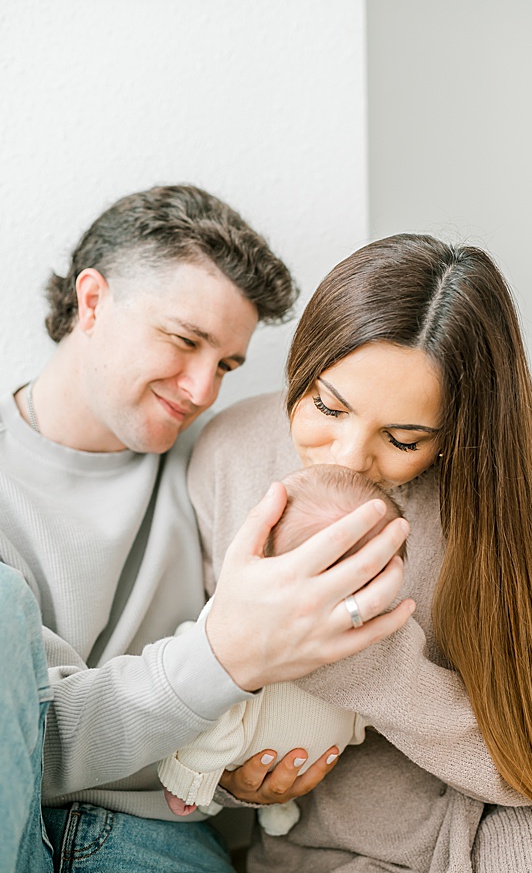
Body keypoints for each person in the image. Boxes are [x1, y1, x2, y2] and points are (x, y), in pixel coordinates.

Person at [0, 185, 413, 873]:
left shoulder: (222, 460)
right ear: (92, 301)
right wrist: (224, 657)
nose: (201, 390)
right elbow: (32, 741)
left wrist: (230, 772)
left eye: (224, 364)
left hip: (153, 834)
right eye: (184, 341)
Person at [188, 234, 532, 872]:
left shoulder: (492, 506)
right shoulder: (230, 453)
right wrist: (225, 777)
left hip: (493, 819)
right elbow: (193, 683)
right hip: (324, 850)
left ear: (455, 431)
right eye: (328, 405)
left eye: (403, 439)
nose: (348, 458)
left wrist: (373, 669)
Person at [159, 464, 407, 836]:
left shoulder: (374, 641)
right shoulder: (243, 625)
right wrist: (188, 779)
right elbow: (206, 722)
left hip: (310, 755)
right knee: (208, 708)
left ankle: (275, 804)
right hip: (245, 735)